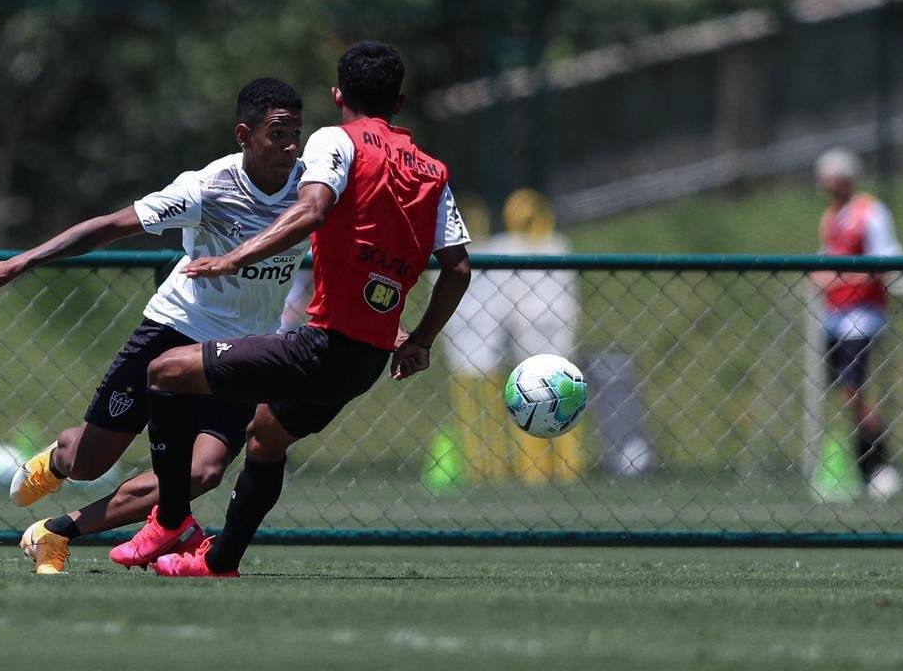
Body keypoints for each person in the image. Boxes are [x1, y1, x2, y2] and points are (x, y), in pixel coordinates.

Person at [131, 40, 472, 578]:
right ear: (400, 102)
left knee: (165, 373)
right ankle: (218, 562)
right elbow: (457, 268)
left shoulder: (336, 140)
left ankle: (171, 519)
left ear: (338, 94)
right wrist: (422, 340)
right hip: (367, 359)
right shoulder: (433, 170)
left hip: (324, 345)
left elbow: (312, 210)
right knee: (265, 436)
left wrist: (233, 258)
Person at [0, 78, 310, 573]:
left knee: (202, 472)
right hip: (174, 332)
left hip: (242, 350)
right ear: (243, 134)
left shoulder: (314, 190)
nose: (291, 145)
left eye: (297, 132)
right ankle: (59, 460)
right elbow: (108, 226)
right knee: (89, 463)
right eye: (278, 133)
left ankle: (55, 532)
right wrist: (19, 263)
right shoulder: (207, 188)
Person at [441, 188, 583, 486]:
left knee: (561, 397)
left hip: (545, 332)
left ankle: (566, 464)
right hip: (515, 332)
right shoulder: (503, 246)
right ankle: (521, 466)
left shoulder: (555, 244)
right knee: (524, 400)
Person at [810, 148, 903, 500]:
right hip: (833, 316)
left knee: (852, 390)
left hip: (861, 315)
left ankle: (878, 465)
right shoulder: (831, 216)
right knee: (847, 392)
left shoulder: (870, 212)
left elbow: (885, 262)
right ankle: (867, 466)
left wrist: (838, 279)